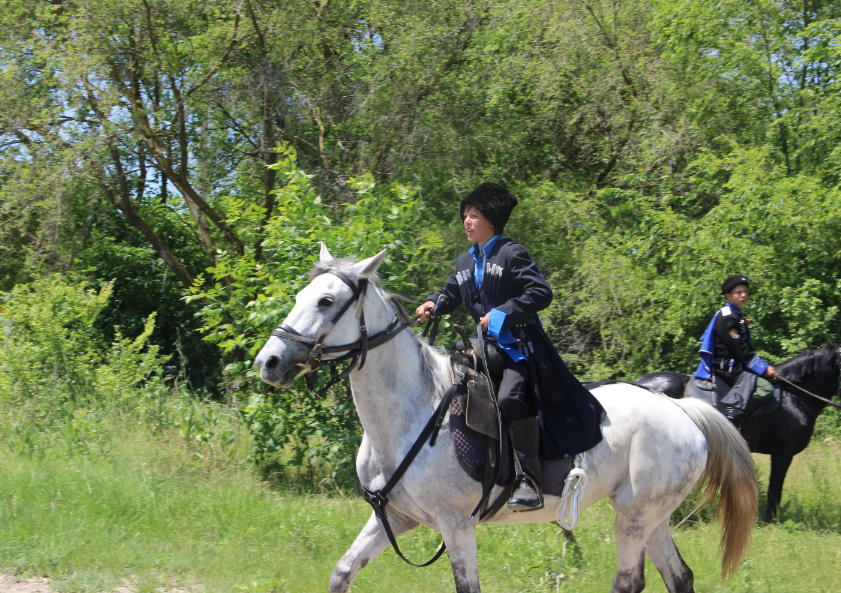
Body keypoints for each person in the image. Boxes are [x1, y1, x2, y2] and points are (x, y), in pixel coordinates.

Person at [416, 182, 605, 510]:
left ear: (490, 220)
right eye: (464, 215)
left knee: (509, 398)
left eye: (474, 215)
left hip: (521, 347)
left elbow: (541, 292)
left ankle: (530, 481)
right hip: (484, 349)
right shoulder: (465, 261)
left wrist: (502, 313)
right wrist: (433, 302)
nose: (466, 221)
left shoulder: (511, 252)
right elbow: (451, 292)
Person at [694, 274, 778, 425]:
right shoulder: (728, 317)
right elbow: (740, 349)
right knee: (766, 389)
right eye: (739, 292)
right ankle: (733, 413)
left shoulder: (735, 314)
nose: (744, 295)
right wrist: (763, 369)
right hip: (728, 372)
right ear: (729, 296)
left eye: (745, 291)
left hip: (736, 368)